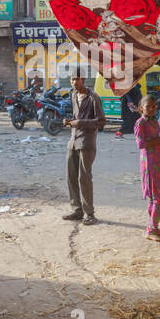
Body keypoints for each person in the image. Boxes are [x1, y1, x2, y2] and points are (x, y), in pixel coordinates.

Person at [62, 70, 105, 225]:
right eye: (72, 80)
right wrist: (70, 121)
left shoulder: (93, 97)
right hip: (73, 141)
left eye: (76, 79)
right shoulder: (73, 95)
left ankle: (89, 213)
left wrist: (81, 123)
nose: (74, 83)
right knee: (70, 176)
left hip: (86, 143)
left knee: (84, 178)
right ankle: (77, 210)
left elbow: (101, 122)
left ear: (83, 79)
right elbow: (76, 117)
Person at [135, 94, 160, 240]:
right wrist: (158, 141)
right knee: (159, 197)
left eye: (153, 106)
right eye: (148, 106)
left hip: (158, 160)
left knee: (153, 197)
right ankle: (151, 229)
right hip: (149, 163)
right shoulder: (140, 123)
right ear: (141, 107)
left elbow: (153, 142)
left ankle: (154, 226)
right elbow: (141, 144)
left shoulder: (154, 122)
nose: (151, 109)